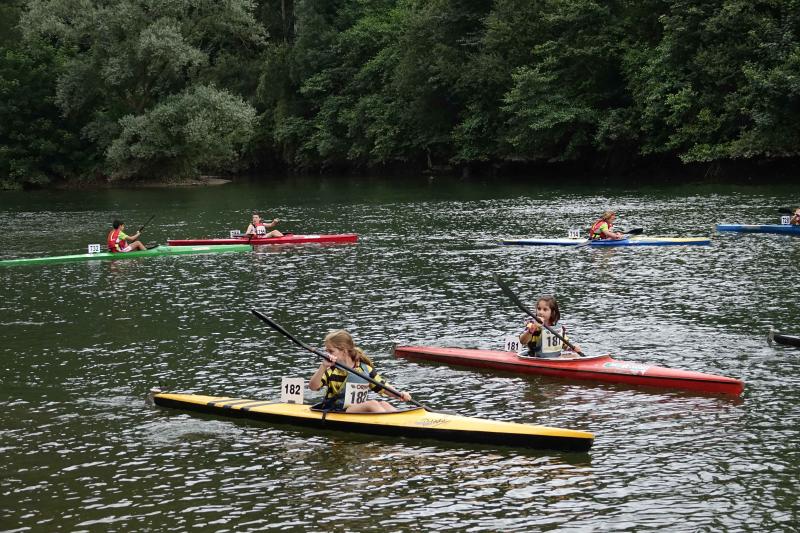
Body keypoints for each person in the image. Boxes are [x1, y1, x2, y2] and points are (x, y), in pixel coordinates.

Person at [309, 329, 412, 413]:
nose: (327, 354)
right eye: (327, 351)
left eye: (331, 351)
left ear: (344, 351)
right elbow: (313, 387)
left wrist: (400, 394)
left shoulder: (365, 369)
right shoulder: (330, 369)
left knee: (384, 404)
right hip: (335, 410)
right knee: (373, 404)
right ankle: (391, 425)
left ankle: (403, 423)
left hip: (355, 411)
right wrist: (323, 366)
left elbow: (383, 387)